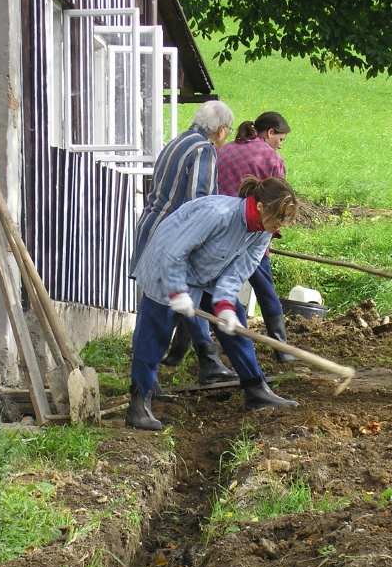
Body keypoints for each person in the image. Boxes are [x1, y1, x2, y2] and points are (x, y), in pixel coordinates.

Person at [126, 176, 300, 431]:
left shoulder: (264, 230)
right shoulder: (217, 214)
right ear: (261, 207)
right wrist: (177, 292)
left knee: (236, 323)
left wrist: (225, 304)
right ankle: (138, 405)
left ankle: (256, 389)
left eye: (286, 219)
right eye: (280, 217)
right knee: (156, 333)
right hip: (167, 266)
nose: (282, 224)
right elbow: (175, 252)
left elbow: (241, 269)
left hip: (207, 273)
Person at [129, 100, 238, 387]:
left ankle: (155, 379)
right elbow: (198, 201)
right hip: (172, 236)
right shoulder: (203, 150)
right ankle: (207, 359)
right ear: (222, 129)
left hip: (152, 227)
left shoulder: (177, 142)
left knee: (159, 305)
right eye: (228, 130)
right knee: (179, 297)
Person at [216, 111, 296, 362]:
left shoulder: (225, 150)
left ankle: (192, 351)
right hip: (252, 231)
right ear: (270, 132)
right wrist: (271, 236)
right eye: (280, 138)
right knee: (265, 289)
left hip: (218, 231)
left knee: (204, 285)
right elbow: (279, 203)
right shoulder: (272, 159)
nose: (280, 144)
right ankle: (281, 349)